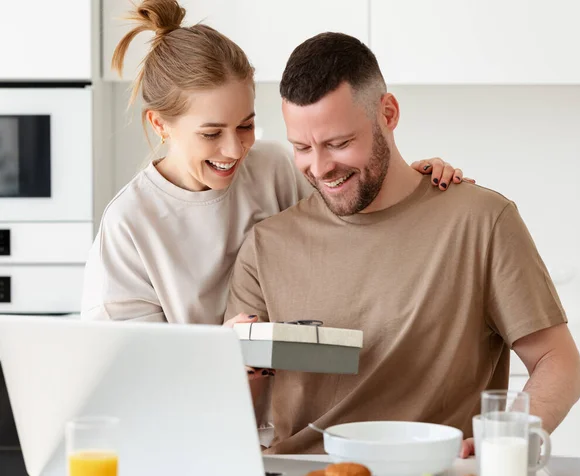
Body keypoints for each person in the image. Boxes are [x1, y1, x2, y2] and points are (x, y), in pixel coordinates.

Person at [225, 32, 580, 456]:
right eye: (302, 147)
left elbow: (558, 362)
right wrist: (233, 366)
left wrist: (509, 440)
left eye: (339, 143)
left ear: (389, 113)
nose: (320, 167)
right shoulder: (267, 246)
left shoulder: (481, 221)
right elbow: (236, 421)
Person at [81, 0, 468, 326]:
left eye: (246, 125)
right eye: (211, 134)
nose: (234, 150)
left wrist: (411, 181)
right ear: (160, 125)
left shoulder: (272, 169)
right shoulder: (129, 225)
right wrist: (223, 347)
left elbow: (351, 217)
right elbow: (130, 364)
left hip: (287, 404)